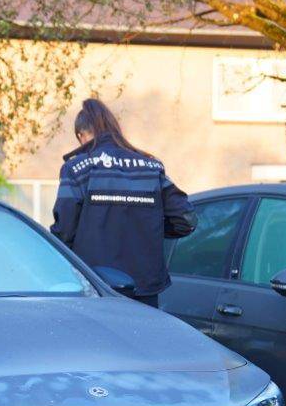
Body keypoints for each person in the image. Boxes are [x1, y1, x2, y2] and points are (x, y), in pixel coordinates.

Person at [51, 99, 196, 306]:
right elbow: (187, 219)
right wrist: (147, 227)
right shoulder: (151, 166)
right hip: (145, 288)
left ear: (83, 135)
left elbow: (64, 230)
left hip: (96, 286)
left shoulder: (76, 168)